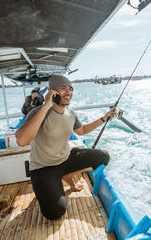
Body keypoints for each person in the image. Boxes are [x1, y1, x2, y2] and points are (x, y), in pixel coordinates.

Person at [15, 75, 115, 220]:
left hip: (66, 158)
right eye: (63, 88)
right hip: (43, 168)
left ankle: (67, 176)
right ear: (52, 92)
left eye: (71, 89)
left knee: (103, 157)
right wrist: (45, 106)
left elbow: (82, 130)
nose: (68, 92)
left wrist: (104, 118)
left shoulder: (71, 113)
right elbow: (21, 140)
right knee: (55, 213)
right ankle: (53, 183)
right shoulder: (38, 112)